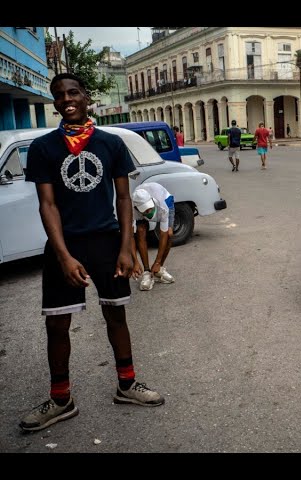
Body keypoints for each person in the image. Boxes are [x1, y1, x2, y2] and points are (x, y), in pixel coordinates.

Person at [20, 73, 164, 432]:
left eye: (73, 92)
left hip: (106, 242)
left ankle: (127, 385)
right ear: (55, 103)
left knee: (116, 316)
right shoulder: (43, 148)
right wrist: (64, 255)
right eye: (59, 95)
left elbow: (125, 197)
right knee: (57, 323)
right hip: (64, 245)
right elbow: (47, 205)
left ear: (87, 97)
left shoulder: (110, 144)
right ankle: (61, 399)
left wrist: (127, 247)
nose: (66, 99)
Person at [131, 182, 176, 291]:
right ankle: (147, 272)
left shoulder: (161, 204)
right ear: (137, 208)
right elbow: (130, 237)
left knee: (169, 234)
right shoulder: (132, 209)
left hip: (166, 200)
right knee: (140, 231)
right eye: (145, 210)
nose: (149, 212)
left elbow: (163, 234)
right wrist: (135, 262)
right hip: (140, 206)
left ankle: (158, 269)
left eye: (149, 208)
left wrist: (157, 262)